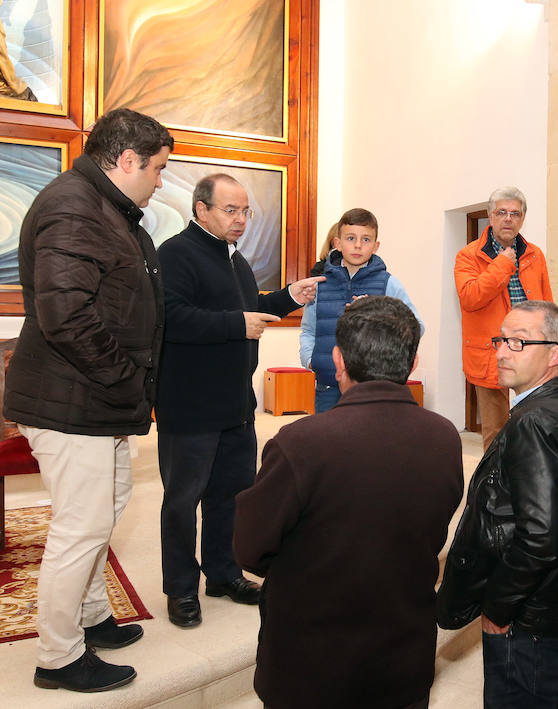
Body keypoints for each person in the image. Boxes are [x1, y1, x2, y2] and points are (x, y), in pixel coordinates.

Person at [3, 108, 173, 692]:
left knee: (109, 505)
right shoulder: (74, 206)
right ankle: (58, 654)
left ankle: (92, 612)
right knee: (81, 526)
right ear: (126, 160)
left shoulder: (103, 206)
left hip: (94, 400)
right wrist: (128, 380)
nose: (159, 180)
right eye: (156, 168)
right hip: (72, 399)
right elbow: (65, 317)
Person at [234, 296, 463, 709]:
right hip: (401, 661)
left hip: (311, 667)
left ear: (338, 360)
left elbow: (250, 548)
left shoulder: (301, 443)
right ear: (410, 364)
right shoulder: (445, 437)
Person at [155, 173, 324, 629]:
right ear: (201, 209)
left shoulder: (236, 260)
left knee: (230, 495)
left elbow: (251, 306)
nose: (241, 220)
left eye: (246, 211)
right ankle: (181, 590)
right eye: (230, 210)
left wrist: (289, 296)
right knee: (182, 501)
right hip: (189, 404)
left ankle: (223, 574)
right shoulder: (175, 254)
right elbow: (172, 318)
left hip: (235, 404)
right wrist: (236, 325)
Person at [437, 300, 558, 709]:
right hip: (554, 607)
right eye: (502, 339)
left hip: (531, 619)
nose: (503, 351)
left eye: (519, 342)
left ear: (556, 354)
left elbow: (541, 536)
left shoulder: (536, 421)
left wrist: (499, 606)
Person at [454, 186, 553, 450]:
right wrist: (503, 264)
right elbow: (470, 297)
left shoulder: (535, 254)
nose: (508, 219)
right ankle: (493, 487)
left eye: (515, 213)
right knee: (495, 434)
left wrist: (553, 345)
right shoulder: (468, 255)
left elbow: (546, 303)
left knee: (534, 424)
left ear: (522, 218)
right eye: (501, 212)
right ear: (490, 215)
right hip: (491, 354)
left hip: (531, 351)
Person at [300, 208, 423, 413]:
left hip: (374, 387)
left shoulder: (389, 283)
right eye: (350, 238)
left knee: (369, 442)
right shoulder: (320, 284)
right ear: (337, 243)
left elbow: (416, 326)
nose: (358, 245)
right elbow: (308, 330)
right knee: (329, 441)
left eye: (366, 239)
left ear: (376, 246)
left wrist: (377, 315)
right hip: (327, 384)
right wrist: (310, 361)